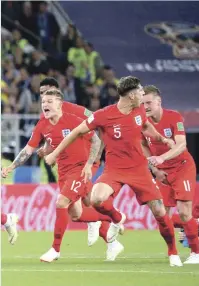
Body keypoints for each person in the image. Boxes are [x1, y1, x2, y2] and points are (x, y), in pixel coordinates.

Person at [44, 76, 182, 267]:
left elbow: (146, 127)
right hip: (114, 169)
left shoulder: (139, 110)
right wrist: (55, 153)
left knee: (159, 211)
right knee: (96, 199)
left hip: (139, 169)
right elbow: (76, 132)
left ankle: (173, 252)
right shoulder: (103, 115)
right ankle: (117, 217)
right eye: (141, 91)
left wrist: (162, 139)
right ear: (132, 95)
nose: (143, 94)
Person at [1, 89, 123, 262]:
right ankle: (113, 217)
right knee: (76, 214)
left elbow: (96, 139)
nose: (45, 105)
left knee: (61, 202)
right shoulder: (42, 125)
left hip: (79, 169)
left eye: (49, 101)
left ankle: (55, 249)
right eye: (43, 102)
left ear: (60, 104)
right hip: (63, 171)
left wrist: (89, 164)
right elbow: (28, 149)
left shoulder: (74, 120)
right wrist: (11, 166)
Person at [141, 85, 199, 264]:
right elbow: (143, 145)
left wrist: (162, 158)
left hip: (182, 168)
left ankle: (196, 253)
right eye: (142, 104)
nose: (146, 107)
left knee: (183, 211)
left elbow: (181, 145)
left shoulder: (174, 117)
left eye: (149, 103)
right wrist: (155, 168)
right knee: (160, 214)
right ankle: (172, 251)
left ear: (159, 102)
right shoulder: (142, 123)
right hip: (162, 172)